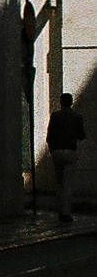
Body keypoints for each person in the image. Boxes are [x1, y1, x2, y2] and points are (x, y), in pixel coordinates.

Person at [48, 91, 87, 224]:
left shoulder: (55, 116)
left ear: (60, 102)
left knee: (59, 182)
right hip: (70, 151)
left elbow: (49, 135)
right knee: (67, 183)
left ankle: (61, 210)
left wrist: (52, 150)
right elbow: (82, 135)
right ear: (71, 102)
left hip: (57, 151)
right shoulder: (77, 116)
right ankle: (66, 213)